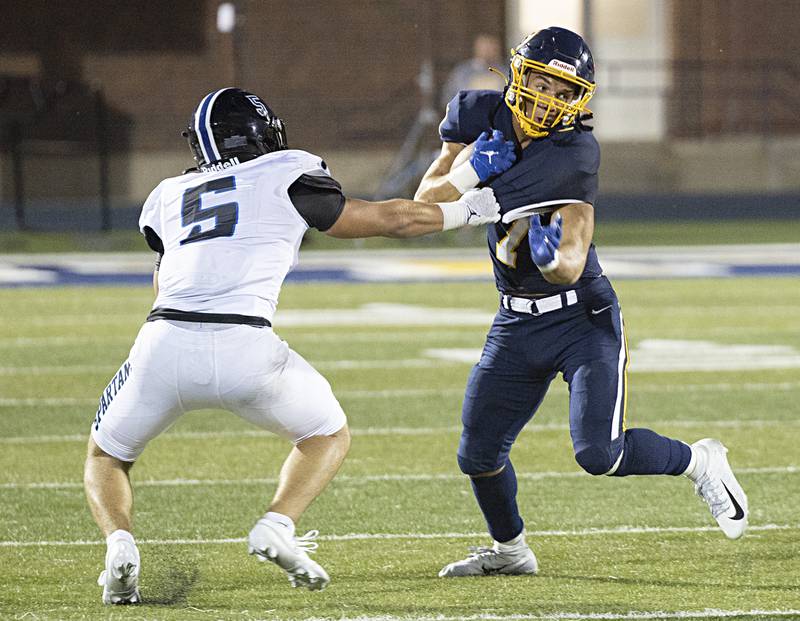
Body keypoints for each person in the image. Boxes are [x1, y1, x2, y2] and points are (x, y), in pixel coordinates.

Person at [83, 87, 500, 603]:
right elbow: (387, 219)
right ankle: (277, 524)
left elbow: (163, 281)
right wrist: (467, 211)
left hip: (163, 341)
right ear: (260, 134)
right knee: (327, 434)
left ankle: (120, 546)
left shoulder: (167, 195)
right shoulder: (285, 170)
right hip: (245, 344)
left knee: (106, 456)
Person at [414, 27, 749, 578]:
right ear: (517, 75)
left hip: (580, 317)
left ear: (579, 100)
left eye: (564, 92)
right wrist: (471, 169)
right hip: (514, 319)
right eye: (542, 83)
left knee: (600, 454)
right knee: (477, 454)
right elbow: (425, 201)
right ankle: (511, 551)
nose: (549, 99)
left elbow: (571, 259)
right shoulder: (476, 112)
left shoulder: (573, 151)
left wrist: (550, 258)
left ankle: (699, 460)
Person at [440, 33, 506, 109]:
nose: (487, 51)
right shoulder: (462, 72)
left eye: (491, 48)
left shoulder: (506, 73)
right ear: (476, 48)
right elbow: (448, 98)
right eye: (484, 48)